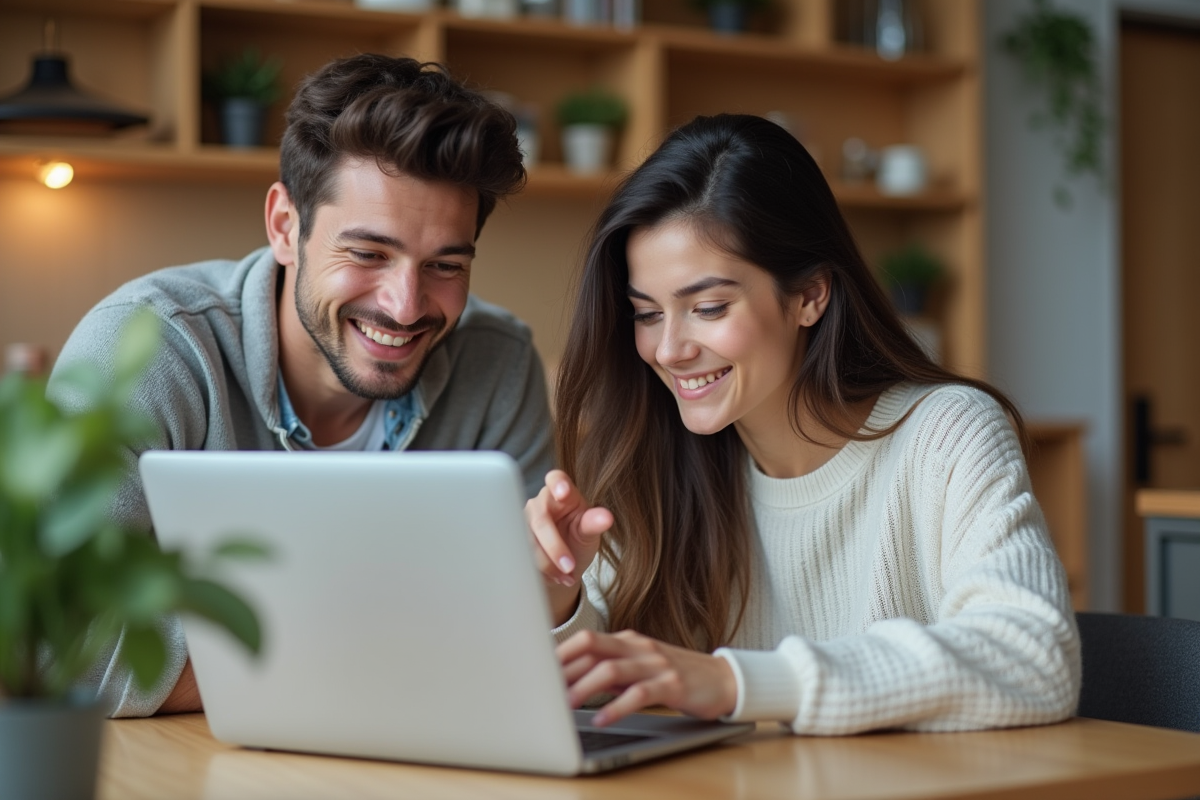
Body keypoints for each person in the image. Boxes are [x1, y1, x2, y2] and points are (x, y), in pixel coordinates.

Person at [525, 114, 1080, 735]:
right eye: (647, 314)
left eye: (708, 308)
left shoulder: (946, 435)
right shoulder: (651, 453)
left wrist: (739, 683)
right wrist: (556, 594)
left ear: (810, 295)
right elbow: (597, 688)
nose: (669, 349)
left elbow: (1037, 658)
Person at [47, 54, 554, 717]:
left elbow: (530, 641)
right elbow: (58, 640)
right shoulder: (147, 349)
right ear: (286, 226)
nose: (406, 306)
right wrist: (371, 656)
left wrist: (558, 588)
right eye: (368, 254)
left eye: (444, 265)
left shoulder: (500, 362)